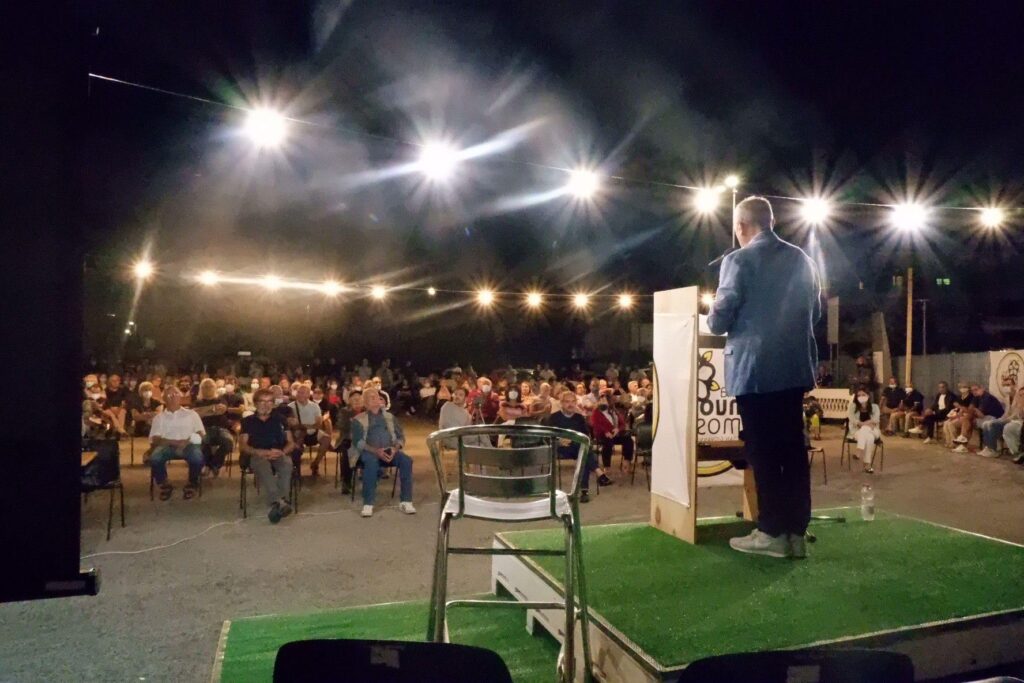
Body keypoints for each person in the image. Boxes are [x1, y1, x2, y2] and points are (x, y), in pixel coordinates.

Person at [707, 196, 820, 559]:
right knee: (792, 448)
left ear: (741, 226)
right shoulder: (801, 259)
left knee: (764, 449)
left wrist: (712, 309)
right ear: (771, 222)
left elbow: (719, 320)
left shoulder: (738, 260)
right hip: (794, 367)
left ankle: (771, 532)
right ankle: (796, 533)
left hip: (754, 370)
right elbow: (815, 311)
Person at [350, 390, 416, 518]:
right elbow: (358, 442)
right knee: (371, 462)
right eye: (372, 398)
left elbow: (400, 437)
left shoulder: (390, 417)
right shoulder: (359, 419)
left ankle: (406, 501)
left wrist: (395, 448)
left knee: (406, 461)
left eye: (378, 397)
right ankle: (368, 503)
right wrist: (376, 451)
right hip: (369, 451)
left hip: (389, 450)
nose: (376, 399)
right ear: (365, 403)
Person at [239, 389, 295, 523]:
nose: (266, 405)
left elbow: (291, 443)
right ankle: (280, 501)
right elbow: (243, 445)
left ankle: (278, 503)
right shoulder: (248, 421)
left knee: (287, 464)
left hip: (277, 452)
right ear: (255, 403)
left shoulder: (280, 419)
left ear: (273, 403)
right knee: (263, 465)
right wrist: (259, 452)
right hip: (257, 453)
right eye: (262, 401)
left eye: (269, 401)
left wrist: (283, 452)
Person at [545, 391, 610, 503]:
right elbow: (547, 436)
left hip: (577, 447)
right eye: (567, 402)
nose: (570, 404)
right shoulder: (554, 418)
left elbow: (586, 435)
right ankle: (597, 475)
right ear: (561, 403)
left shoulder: (579, 418)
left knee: (582, 451)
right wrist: (559, 441)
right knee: (583, 451)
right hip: (561, 448)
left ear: (576, 403)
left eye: (573, 402)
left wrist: (580, 440)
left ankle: (584, 491)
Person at [148, 386, 206, 501]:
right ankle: (164, 484)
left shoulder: (191, 414)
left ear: (180, 397)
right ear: (164, 399)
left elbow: (201, 434)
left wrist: (186, 442)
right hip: (167, 445)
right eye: (170, 395)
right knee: (155, 458)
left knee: (197, 458)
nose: (173, 397)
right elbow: (155, 438)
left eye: (176, 394)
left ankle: (192, 483)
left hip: (188, 444)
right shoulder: (159, 418)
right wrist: (172, 442)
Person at [192, 378, 234, 476]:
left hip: (221, 428)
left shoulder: (220, 399)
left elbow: (221, 410)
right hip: (203, 429)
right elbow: (195, 414)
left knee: (228, 442)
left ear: (214, 388)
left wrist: (203, 411)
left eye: (210, 386)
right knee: (202, 441)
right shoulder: (197, 401)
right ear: (201, 388)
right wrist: (212, 409)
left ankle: (213, 464)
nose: (208, 388)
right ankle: (208, 465)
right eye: (205, 386)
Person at [289, 384, 333, 477]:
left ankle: (315, 464)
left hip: (314, 432)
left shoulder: (314, 406)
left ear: (308, 394)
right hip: (298, 434)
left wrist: (304, 426)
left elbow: (318, 423)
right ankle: (296, 468)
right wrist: (308, 426)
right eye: (299, 392)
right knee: (296, 442)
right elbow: (291, 425)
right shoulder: (291, 407)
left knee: (327, 439)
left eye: (303, 393)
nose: (300, 395)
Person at [953, 384, 1004, 454]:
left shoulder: (987, 397)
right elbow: (970, 410)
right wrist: (968, 410)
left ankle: (963, 443)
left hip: (994, 418)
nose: (974, 392)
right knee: (967, 420)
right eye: (972, 390)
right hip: (984, 417)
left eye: (976, 389)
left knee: (969, 420)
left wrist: (963, 408)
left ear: (982, 388)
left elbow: (980, 415)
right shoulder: (976, 397)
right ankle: (963, 441)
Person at [589, 392, 633, 471]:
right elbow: (595, 424)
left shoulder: (614, 411)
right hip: (602, 434)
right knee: (608, 441)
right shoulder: (596, 412)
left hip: (615, 434)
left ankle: (626, 461)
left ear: (609, 402)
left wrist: (618, 429)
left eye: (604, 401)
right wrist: (605, 431)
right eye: (600, 401)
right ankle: (607, 466)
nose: (601, 402)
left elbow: (623, 424)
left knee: (628, 439)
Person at [847, 389, 882, 474]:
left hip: (874, 430)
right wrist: (866, 424)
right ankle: (867, 465)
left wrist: (863, 424)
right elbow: (852, 418)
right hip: (857, 431)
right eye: (859, 395)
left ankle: (859, 450)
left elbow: (876, 420)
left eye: (863, 395)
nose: (861, 397)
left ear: (868, 396)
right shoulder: (852, 406)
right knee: (869, 438)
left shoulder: (875, 407)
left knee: (865, 429)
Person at [942, 383, 974, 448]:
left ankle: (954, 442)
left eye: (964, 387)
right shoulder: (959, 397)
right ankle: (949, 441)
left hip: (966, 415)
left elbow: (968, 410)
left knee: (950, 424)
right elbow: (957, 409)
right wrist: (954, 415)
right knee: (946, 423)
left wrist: (959, 407)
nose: (962, 389)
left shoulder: (971, 397)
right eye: (961, 387)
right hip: (958, 414)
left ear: (968, 388)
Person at [1000, 386, 1024, 464]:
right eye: (1020, 395)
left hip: (1020, 423)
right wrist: (1021, 406)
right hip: (1019, 422)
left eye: (1023, 394)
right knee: (1008, 428)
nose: (1022, 396)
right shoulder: (1018, 402)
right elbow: (1019, 415)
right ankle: (1017, 453)